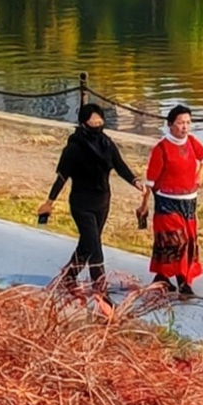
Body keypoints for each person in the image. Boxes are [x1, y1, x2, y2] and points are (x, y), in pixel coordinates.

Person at [37, 102, 145, 296]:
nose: (97, 126)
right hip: (82, 203)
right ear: (83, 124)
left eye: (99, 123)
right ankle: (99, 284)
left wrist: (135, 181)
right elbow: (62, 177)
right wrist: (49, 202)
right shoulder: (74, 148)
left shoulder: (106, 143)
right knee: (94, 244)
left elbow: (119, 165)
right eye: (92, 123)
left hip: (102, 201)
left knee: (88, 244)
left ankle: (69, 276)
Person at [145, 104, 203, 296]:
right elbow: (150, 181)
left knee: (188, 240)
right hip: (167, 201)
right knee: (177, 241)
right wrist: (143, 204)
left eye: (188, 122)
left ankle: (162, 276)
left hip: (189, 201)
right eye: (181, 123)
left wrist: (200, 174)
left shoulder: (192, 141)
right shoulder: (161, 148)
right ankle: (183, 281)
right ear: (170, 124)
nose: (185, 127)